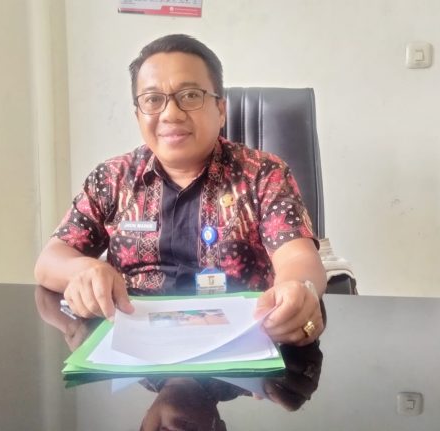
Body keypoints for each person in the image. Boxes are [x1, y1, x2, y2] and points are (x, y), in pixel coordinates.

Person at [34, 34, 327, 346]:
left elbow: (297, 257)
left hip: (242, 345)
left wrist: (298, 289)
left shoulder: (263, 174)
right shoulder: (112, 178)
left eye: (190, 96)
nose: (171, 114)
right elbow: (50, 261)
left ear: (221, 109)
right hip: (135, 348)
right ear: (138, 115)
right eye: (152, 99)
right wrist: (86, 270)